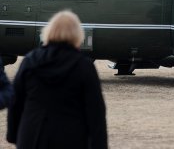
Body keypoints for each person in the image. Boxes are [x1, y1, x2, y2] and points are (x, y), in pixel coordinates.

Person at [7, 10, 108, 149]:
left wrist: (13, 135)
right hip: (71, 138)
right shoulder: (84, 66)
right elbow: (96, 111)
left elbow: (16, 101)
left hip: (32, 135)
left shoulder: (30, 60)